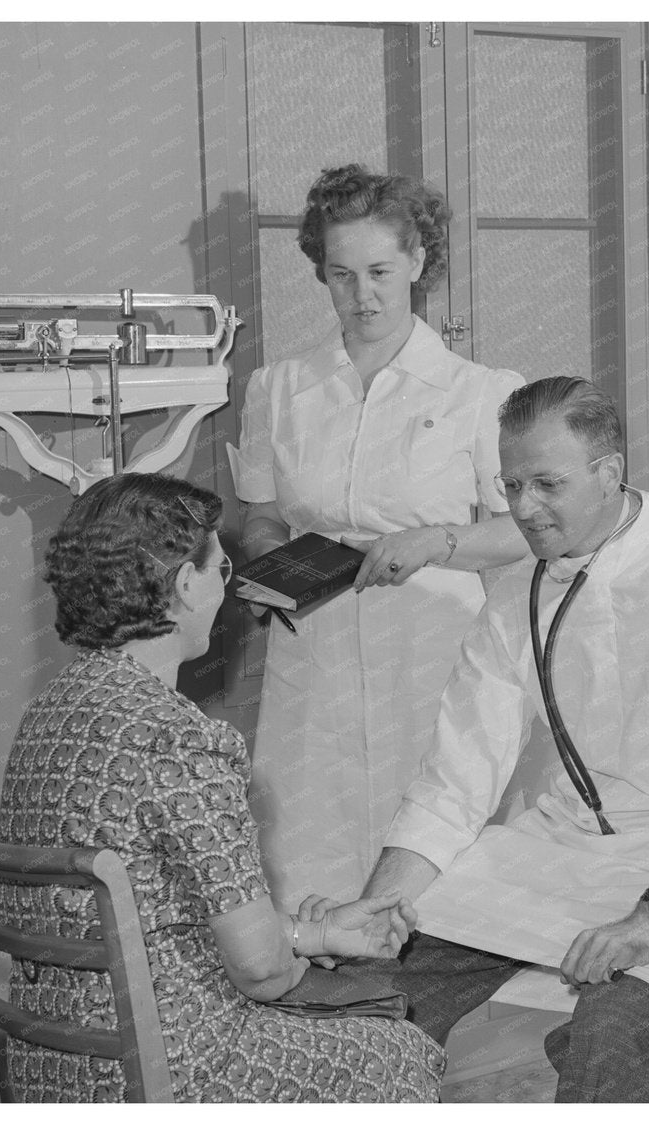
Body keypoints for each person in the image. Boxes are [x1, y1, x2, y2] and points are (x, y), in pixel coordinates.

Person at [342, 377, 649, 1101]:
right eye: (511, 485)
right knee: (369, 987)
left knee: (611, 1026)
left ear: (610, 473)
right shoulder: (517, 590)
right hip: (567, 847)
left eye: (547, 483)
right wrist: (375, 909)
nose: (524, 508)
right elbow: (455, 775)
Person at [0, 473, 445, 1102]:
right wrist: (289, 957)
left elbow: (158, 913)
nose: (227, 587)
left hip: (53, 1063)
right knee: (401, 1052)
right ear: (183, 585)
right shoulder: (181, 740)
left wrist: (316, 933)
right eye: (222, 568)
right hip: (173, 1066)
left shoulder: (49, 715)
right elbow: (260, 972)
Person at [228, 164, 528, 912]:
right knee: (310, 848)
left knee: (434, 845)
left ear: (419, 263)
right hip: (316, 646)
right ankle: (321, 1010)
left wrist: (438, 541)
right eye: (340, 275)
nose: (362, 296)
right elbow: (261, 513)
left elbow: (524, 531)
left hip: (434, 645)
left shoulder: (479, 392)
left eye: (380, 272)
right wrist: (271, 564)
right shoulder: (280, 388)